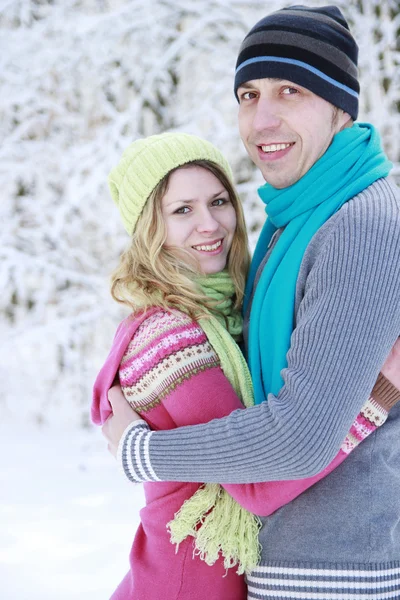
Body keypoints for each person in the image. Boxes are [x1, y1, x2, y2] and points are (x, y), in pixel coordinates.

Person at [101, 5, 400, 599]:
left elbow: (296, 440)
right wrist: (379, 393)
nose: (262, 118)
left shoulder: (360, 223)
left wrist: (144, 452)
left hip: (336, 572)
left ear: (340, 103)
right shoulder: (292, 218)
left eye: (290, 90)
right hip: (285, 561)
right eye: (248, 94)